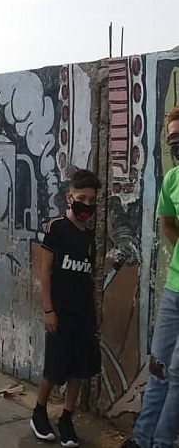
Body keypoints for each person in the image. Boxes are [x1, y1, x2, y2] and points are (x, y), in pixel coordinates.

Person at [29, 169, 102, 447]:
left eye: (92, 199)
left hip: (83, 313)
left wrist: (94, 314)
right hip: (60, 312)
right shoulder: (57, 229)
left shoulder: (89, 236)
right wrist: (49, 309)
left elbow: (89, 276)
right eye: (81, 198)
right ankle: (39, 412)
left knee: (78, 370)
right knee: (55, 367)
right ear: (70, 197)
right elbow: (45, 271)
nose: (87, 204)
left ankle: (67, 417)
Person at [122, 107, 179, 448]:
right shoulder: (173, 180)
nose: (176, 144)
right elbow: (167, 221)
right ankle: (142, 439)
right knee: (158, 366)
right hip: (175, 288)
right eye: (172, 139)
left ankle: (161, 442)